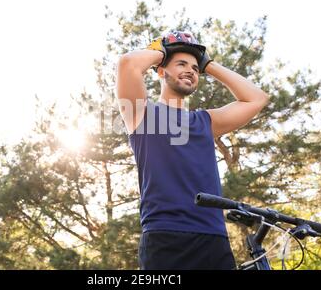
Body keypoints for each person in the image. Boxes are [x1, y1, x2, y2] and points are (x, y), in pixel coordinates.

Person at [115, 31, 269, 270]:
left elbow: (256, 99)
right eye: (181, 64)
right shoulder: (142, 114)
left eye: (196, 68)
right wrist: (163, 51)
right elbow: (128, 64)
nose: (190, 70)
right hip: (166, 237)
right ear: (161, 70)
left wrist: (209, 64)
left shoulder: (205, 122)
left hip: (214, 238)